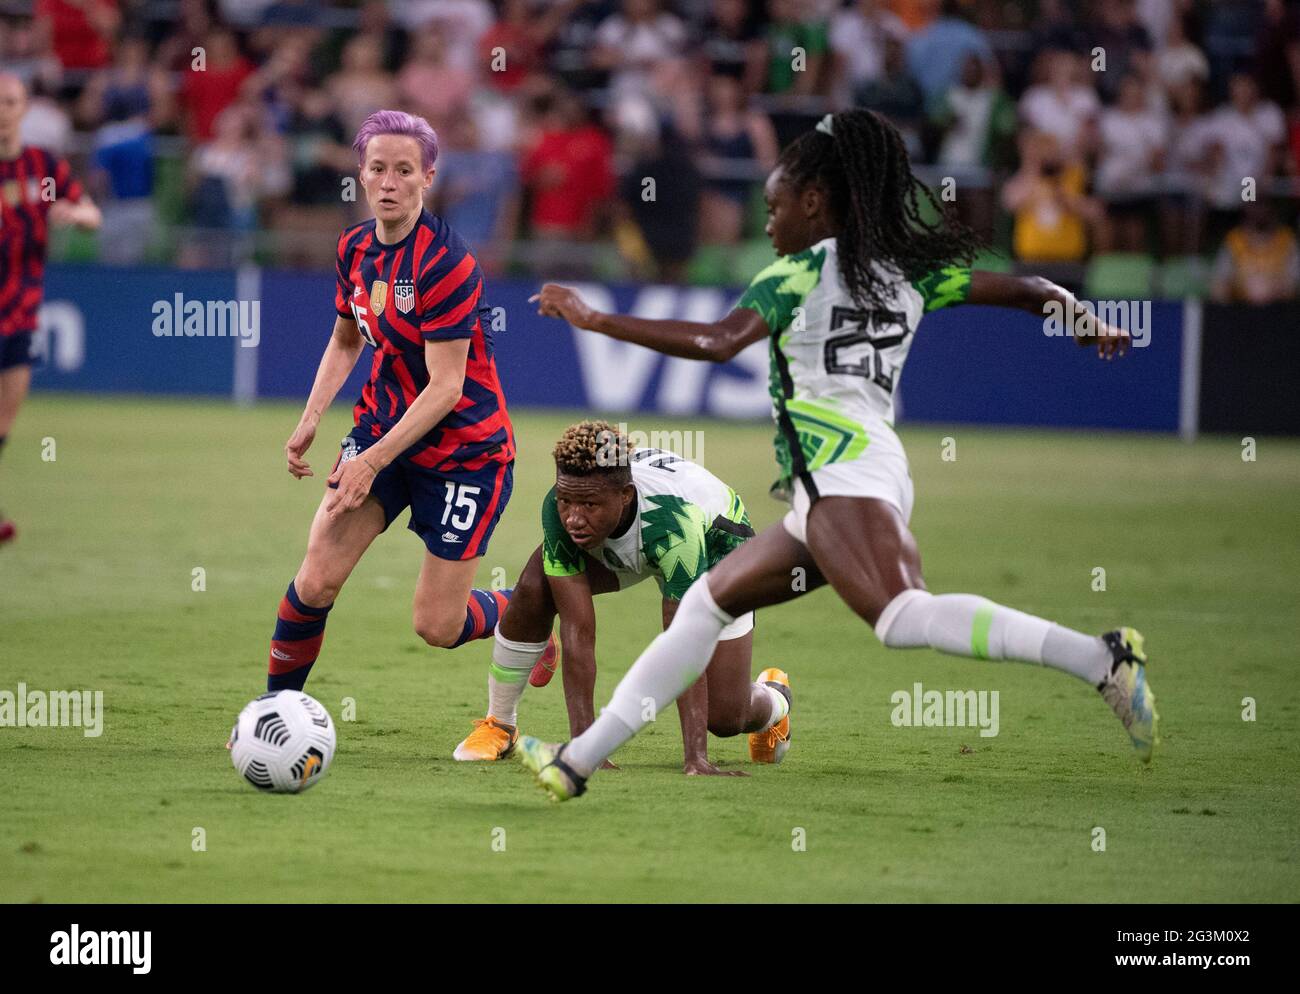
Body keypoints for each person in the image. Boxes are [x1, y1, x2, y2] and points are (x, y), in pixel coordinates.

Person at [515, 109, 1158, 802]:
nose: (767, 223)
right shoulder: (905, 272)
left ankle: (1098, 657)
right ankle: (577, 762)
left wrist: (596, 317)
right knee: (702, 606)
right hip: (850, 479)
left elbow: (716, 342)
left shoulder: (796, 275)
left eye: (774, 206)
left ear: (814, 202)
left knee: (901, 617)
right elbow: (1027, 289)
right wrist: (1084, 321)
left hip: (839, 477)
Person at [262, 109, 515, 694]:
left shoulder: (447, 263)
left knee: (436, 625)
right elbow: (347, 336)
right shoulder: (353, 247)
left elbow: (447, 388)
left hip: (464, 452)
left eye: (405, 170)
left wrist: (370, 461)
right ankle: (275, 711)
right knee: (317, 575)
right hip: (383, 429)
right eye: (378, 169)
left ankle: (523, 612)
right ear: (361, 174)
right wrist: (310, 421)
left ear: (429, 176)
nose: (390, 182)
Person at [453, 421, 791, 775]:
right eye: (566, 500)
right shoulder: (562, 507)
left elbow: (684, 641)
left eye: (589, 505)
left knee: (724, 716)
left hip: (720, 546)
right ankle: (500, 724)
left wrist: (696, 758)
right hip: (629, 538)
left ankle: (776, 700)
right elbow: (579, 634)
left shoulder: (675, 527)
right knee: (535, 586)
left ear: (625, 495)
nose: (574, 518)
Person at [0, 72, 101, 545]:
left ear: (24, 109)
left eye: (10, 101)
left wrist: (74, 214)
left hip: (20, 311)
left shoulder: (42, 166)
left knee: (4, 423)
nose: (2, 109)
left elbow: (91, 213)